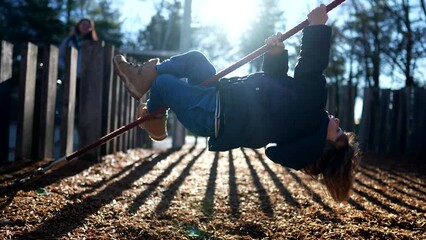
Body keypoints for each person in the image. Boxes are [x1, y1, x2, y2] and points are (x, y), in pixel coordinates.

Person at [113, 5, 360, 202]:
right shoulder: (299, 122)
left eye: (337, 130)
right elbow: (276, 88)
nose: (337, 121)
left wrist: (317, 28)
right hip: (219, 99)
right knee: (195, 61)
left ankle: (150, 103)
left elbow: (311, 69)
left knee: (163, 84)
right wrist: (275, 55)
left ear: (322, 142)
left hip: (213, 112)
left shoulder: (311, 114)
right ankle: (148, 99)